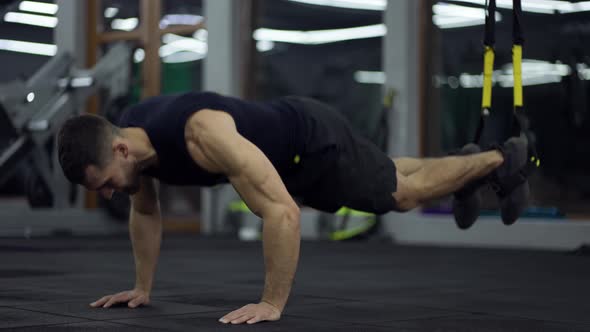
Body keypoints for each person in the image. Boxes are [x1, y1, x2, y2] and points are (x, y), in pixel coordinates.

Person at [57, 91, 529, 325]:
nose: (112, 193)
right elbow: (145, 212)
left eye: (106, 184)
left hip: (312, 141)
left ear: (119, 152)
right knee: (390, 172)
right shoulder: (135, 140)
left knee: (399, 197)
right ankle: (468, 168)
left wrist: (270, 303)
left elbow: (282, 213)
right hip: (290, 153)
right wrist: (141, 287)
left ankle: (501, 159)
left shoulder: (202, 135)